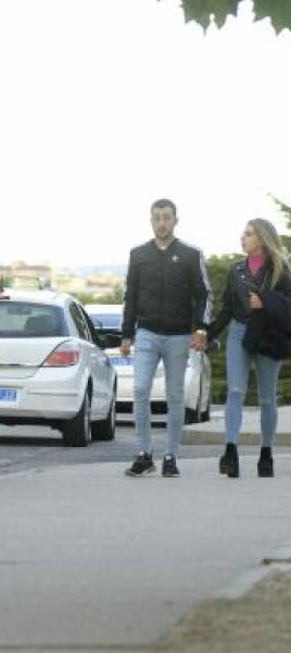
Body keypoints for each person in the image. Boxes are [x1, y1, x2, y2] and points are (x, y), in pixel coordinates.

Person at [121, 199, 213, 478]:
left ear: (175, 220)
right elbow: (131, 296)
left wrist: (201, 329)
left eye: (166, 217)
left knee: (175, 396)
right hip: (146, 333)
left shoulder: (189, 254)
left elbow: (205, 294)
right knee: (139, 391)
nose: (162, 222)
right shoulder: (138, 254)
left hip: (178, 336)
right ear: (151, 221)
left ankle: (171, 456)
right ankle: (144, 454)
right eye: (157, 218)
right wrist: (126, 334)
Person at [207, 219, 291, 478]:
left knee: (267, 398)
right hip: (239, 332)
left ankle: (266, 454)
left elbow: (288, 305)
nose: (242, 238)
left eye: (248, 234)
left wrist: (263, 301)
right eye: (243, 234)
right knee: (235, 390)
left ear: (262, 239)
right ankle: (230, 451)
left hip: (269, 336)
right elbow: (227, 309)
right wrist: (206, 333)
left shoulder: (281, 269)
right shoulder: (236, 270)